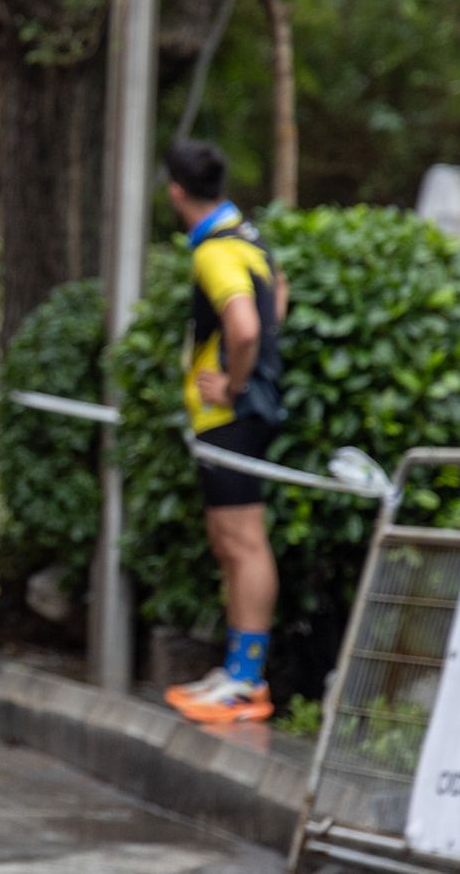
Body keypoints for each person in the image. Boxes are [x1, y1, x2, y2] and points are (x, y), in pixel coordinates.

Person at [160, 140, 289, 725]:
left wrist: (235, 384)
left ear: (176, 192)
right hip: (236, 420)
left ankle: (245, 680)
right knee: (232, 543)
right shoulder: (248, 235)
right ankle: (239, 671)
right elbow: (276, 294)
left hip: (230, 419)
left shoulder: (214, 251)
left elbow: (243, 328)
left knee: (242, 543)